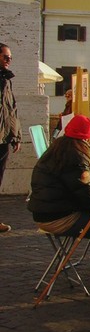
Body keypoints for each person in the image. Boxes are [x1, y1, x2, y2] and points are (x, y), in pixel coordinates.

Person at [27, 115, 90, 295]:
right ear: (85, 138)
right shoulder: (76, 157)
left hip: (45, 213)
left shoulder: (59, 149)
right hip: (60, 217)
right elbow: (89, 198)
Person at [0, 42, 21, 233]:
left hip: (3, 138)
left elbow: (11, 109)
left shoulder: (7, 80)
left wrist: (16, 136)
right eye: (5, 57)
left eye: (10, 58)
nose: (9, 61)